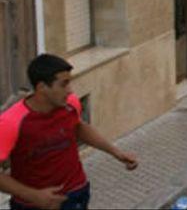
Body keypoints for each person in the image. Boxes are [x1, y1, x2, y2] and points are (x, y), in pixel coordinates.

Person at [0, 54, 139, 210]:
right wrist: (34, 196)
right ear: (41, 87)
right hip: (33, 205)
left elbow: (78, 127)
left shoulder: (70, 104)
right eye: (63, 84)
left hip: (76, 193)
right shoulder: (11, 122)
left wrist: (116, 152)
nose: (70, 90)